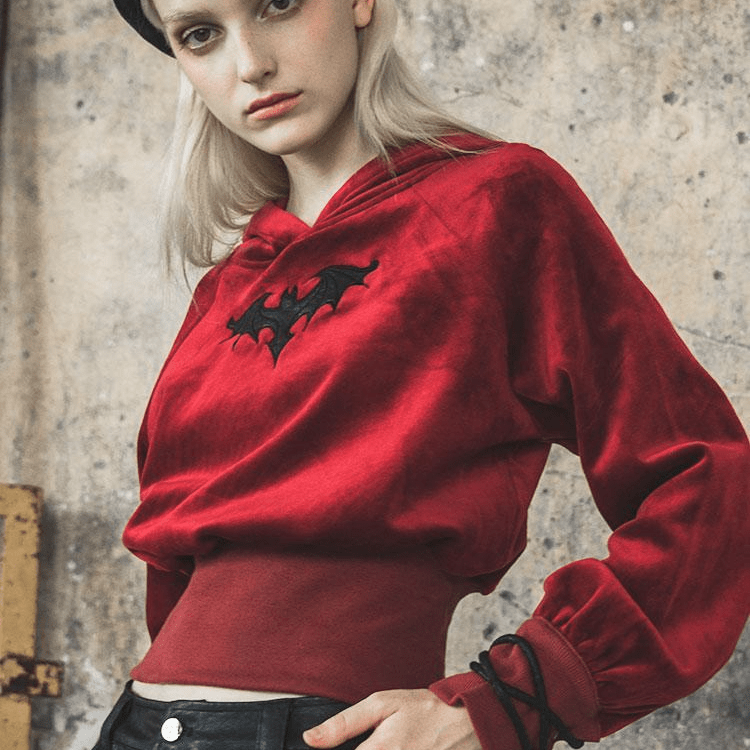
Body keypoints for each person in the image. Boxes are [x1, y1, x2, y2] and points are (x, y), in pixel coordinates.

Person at [93, 0, 750, 749]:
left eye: (277, 4)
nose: (250, 65)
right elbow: (174, 558)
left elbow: (708, 475)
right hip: (138, 728)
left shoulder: (495, 202)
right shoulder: (229, 288)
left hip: (325, 731)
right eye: (200, 34)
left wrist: (512, 702)